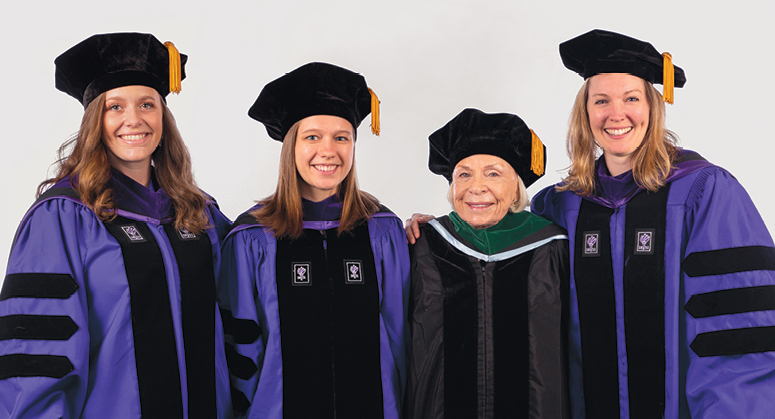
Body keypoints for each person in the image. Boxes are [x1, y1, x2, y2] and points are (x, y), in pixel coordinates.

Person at [529, 30, 775, 419]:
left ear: (653, 108)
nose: (616, 114)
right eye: (601, 101)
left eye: (631, 98)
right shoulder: (560, 204)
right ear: (585, 113)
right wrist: (427, 230)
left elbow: (736, 329)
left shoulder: (705, 192)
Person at [0, 33, 232, 419]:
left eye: (147, 104)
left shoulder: (199, 214)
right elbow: (35, 359)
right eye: (115, 107)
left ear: (163, 117)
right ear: (95, 121)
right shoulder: (63, 217)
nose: (134, 120)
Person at [218, 62, 410, 419]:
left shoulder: (381, 231)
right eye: (312, 137)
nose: (329, 150)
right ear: (291, 145)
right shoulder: (252, 238)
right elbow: (240, 350)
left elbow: (401, 338)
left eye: (342, 137)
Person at [404, 108, 570, 419]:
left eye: (493, 173)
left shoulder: (553, 246)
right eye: (464, 174)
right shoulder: (420, 246)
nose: (476, 187)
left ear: (516, 185)